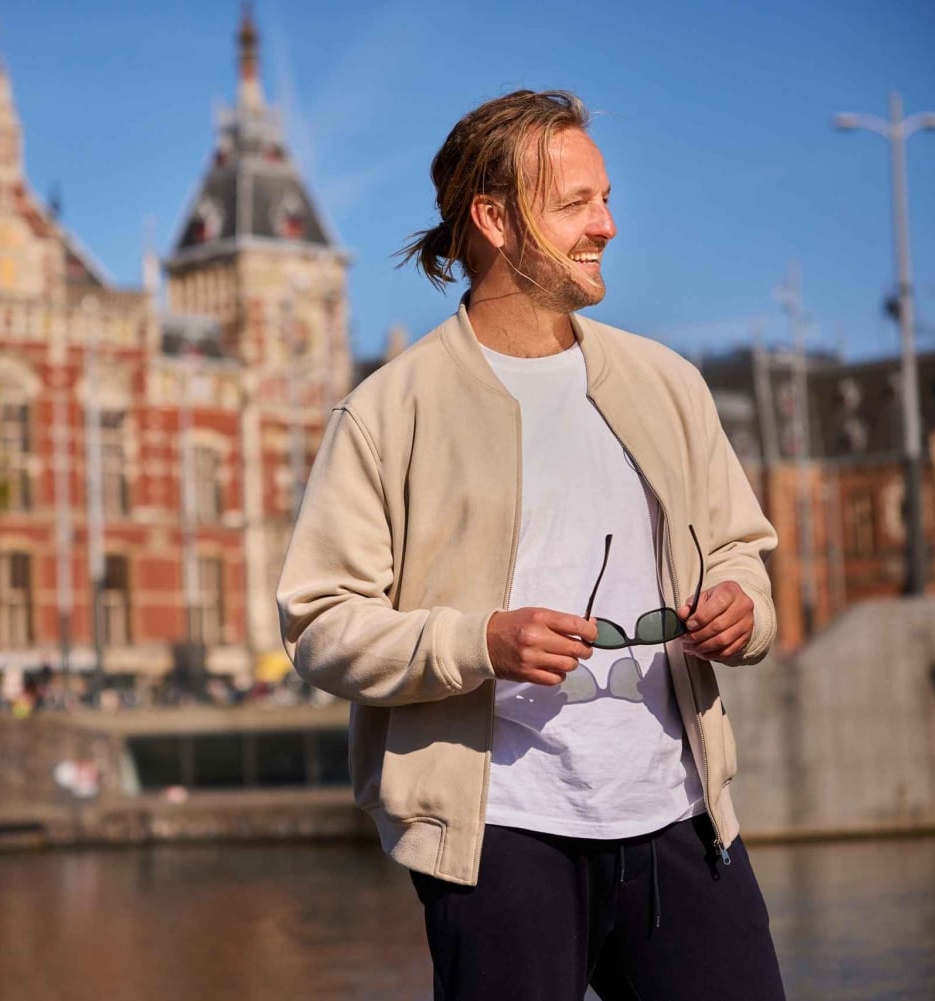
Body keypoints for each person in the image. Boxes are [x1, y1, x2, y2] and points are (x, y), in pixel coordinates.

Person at [277, 90, 784, 1000]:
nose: (609, 225)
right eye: (577, 204)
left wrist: (742, 609)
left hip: (682, 816)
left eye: (605, 197)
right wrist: (480, 643)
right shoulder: (389, 411)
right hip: (497, 839)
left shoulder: (669, 384)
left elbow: (742, 551)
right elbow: (320, 623)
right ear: (495, 220)